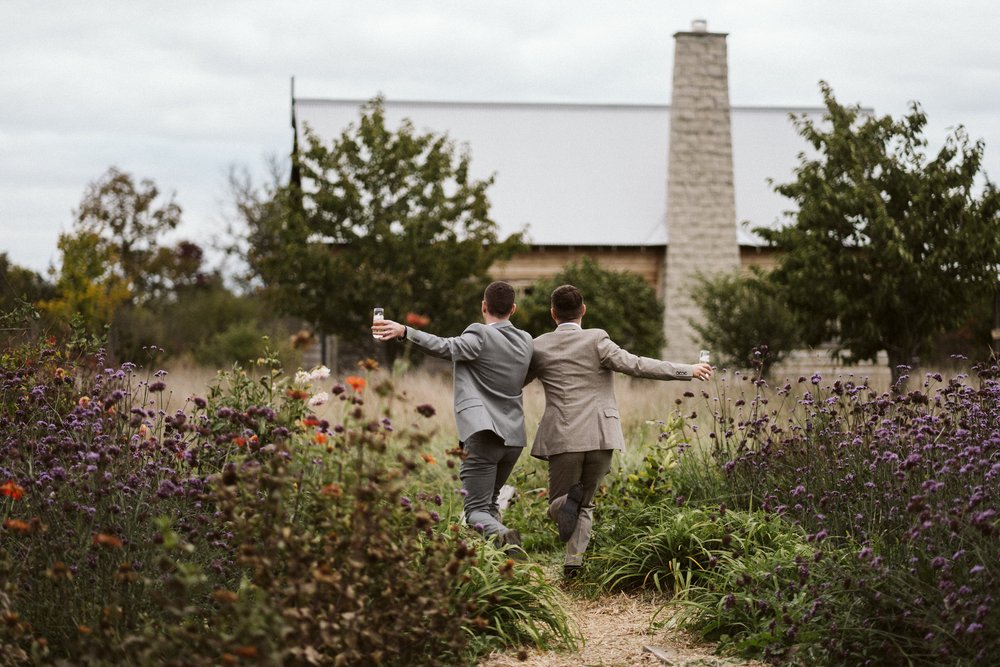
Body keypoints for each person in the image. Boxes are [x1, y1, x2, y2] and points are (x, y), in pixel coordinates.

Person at [525, 284, 712, 578]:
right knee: (585, 504)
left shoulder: (537, 346)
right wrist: (687, 370)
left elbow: (513, 383)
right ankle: (573, 565)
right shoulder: (598, 339)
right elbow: (636, 365)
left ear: (552, 314)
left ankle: (565, 504)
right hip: (601, 433)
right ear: (583, 310)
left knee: (559, 503)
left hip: (563, 435)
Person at [372, 281, 533, 554]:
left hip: (484, 436)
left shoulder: (480, 335)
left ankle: (504, 537)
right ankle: (500, 565)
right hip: (514, 438)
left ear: (484, 306)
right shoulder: (526, 340)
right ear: (513, 309)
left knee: (474, 512)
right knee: (490, 503)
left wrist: (405, 331)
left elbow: (446, 346)